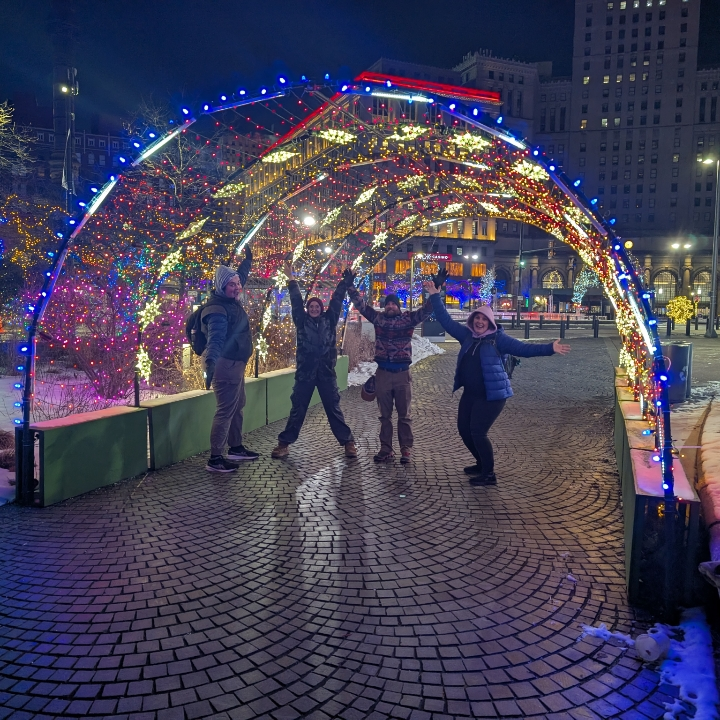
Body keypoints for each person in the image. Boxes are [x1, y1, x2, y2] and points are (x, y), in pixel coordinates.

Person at [424, 277, 571, 486]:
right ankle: (481, 463)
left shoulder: (498, 339)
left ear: (490, 322)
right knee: (464, 429)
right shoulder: (467, 335)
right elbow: (445, 320)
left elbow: (523, 349)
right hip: (471, 394)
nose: (480, 322)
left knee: (477, 431)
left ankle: (489, 474)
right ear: (473, 320)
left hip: (492, 395)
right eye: (477, 319)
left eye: (484, 320)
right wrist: (435, 296)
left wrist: (549, 348)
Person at [345, 269, 435, 464]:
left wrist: (436, 290)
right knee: (384, 416)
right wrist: (351, 287)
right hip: (383, 374)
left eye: (394, 304)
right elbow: (362, 306)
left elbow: (427, 310)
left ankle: (405, 449)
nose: (391, 306)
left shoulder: (408, 319)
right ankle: (386, 449)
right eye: (388, 304)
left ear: (399, 307)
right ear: (385, 307)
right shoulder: (379, 319)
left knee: (404, 415)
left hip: (402, 374)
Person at [272, 262, 357, 459]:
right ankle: (284, 443)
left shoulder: (330, 319)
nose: (314, 308)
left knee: (333, 410)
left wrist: (344, 284)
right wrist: (291, 279)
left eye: (317, 306)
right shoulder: (301, 321)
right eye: (311, 306)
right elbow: (295, 301)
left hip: (326, 373)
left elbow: (336, 300)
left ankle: (348, 442)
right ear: (307, 309)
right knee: (298, 409)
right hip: (305, 374)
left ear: (321, 308)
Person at [202, 247, 260, 473]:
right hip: (225, 366)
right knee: (225, 410)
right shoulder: (217, 309)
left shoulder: (228, 299)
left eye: (238, 284)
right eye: (232, 284)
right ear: (221, 286)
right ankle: (215, 458)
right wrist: (211, 363)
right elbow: (215, 340)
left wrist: (247, 261)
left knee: (238, 406)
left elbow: (239, 277)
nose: (237, 287)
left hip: (236, 365)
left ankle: (235, 447)